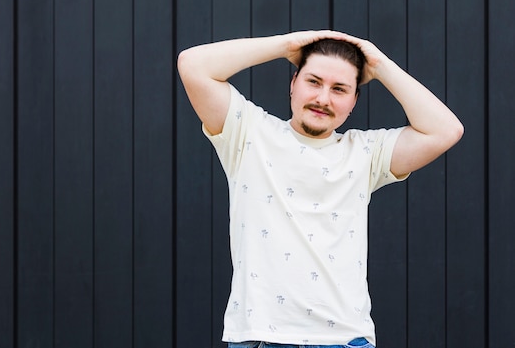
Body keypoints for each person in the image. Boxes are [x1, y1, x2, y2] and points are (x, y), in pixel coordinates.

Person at [177, 30, 463, 348]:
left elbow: (445, 130)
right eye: (313, 82)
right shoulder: (248, 133)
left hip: (342, 339)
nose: (323, 99)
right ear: (293, 82)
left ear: (354, 101)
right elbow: (192, 64)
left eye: (339, 89)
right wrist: (285, 45)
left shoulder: (366, 153)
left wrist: (380, 64)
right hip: (261, 337)